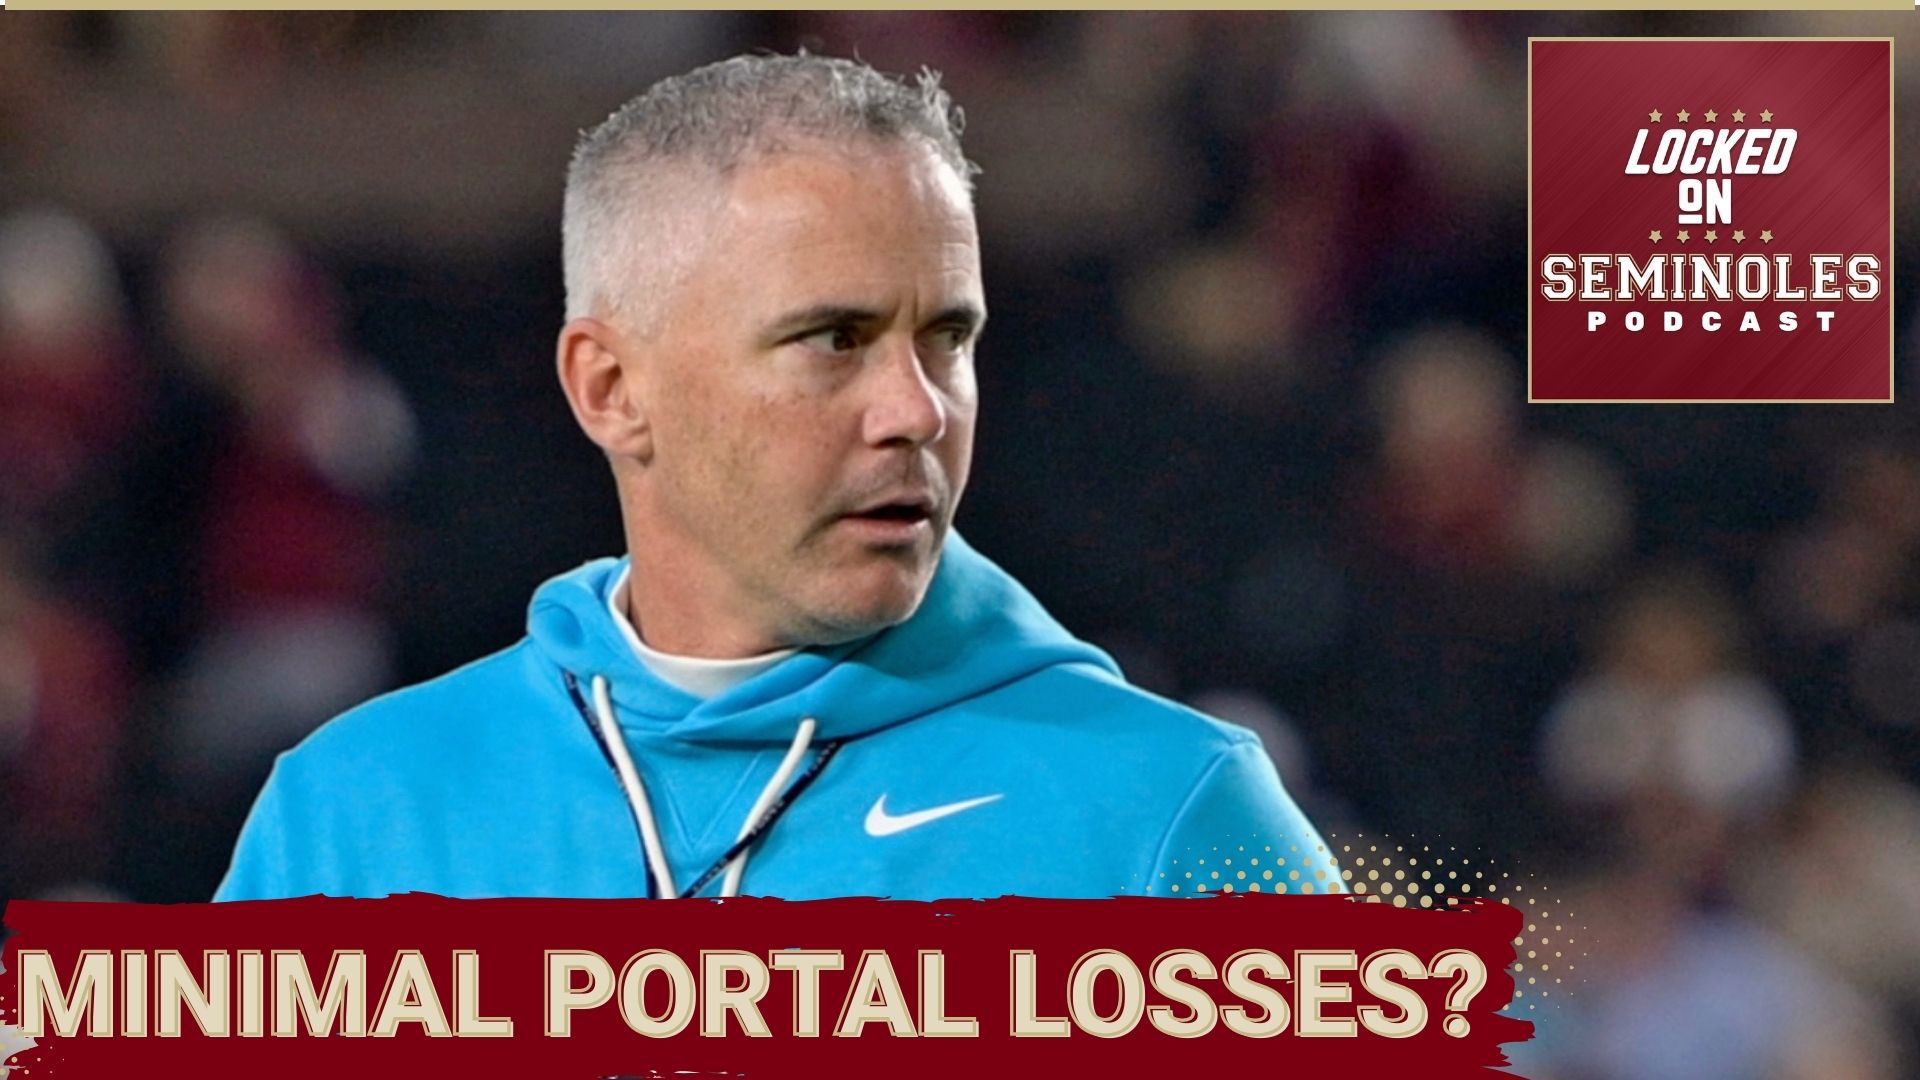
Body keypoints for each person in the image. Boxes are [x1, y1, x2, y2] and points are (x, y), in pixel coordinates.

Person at [216, 52, 1337, 902]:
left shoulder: (1169, 819)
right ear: (612, 388)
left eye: (947, 338)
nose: (918, 410)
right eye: (833, 339)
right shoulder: (356, 816)